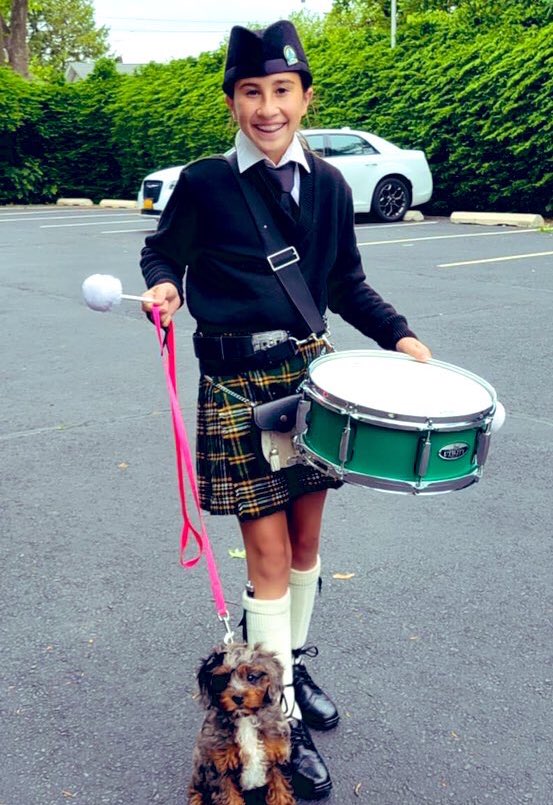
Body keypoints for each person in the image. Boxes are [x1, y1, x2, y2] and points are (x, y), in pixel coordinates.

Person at [140, 19, 431, 801]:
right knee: (266, 556)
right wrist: (165, 286)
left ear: (303, 96)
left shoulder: (330, 186)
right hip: (235, 384)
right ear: (232, 101)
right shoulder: (203, 182)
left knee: (306, 544)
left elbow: (344, 282)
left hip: (308, 378)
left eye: (280, 90)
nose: (266, 107)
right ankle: (281, 719)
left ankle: (290, 667)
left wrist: (400, 336)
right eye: (249, 92)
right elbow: (162, 249)